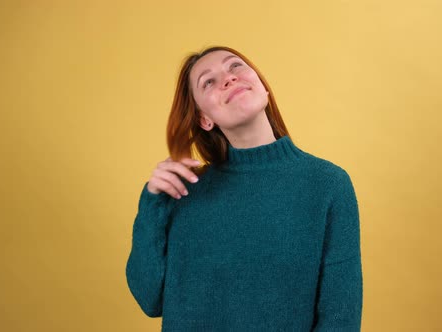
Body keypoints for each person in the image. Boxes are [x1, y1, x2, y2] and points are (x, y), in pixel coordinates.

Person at [125, 45, 363, 331]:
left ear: (262, 87)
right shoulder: (182, 192)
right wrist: (152, 204)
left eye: (235, 66)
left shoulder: (327, 185)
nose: (228, 78)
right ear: (204, 119)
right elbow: (150, 299)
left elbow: (341, 319)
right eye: (208, 82)